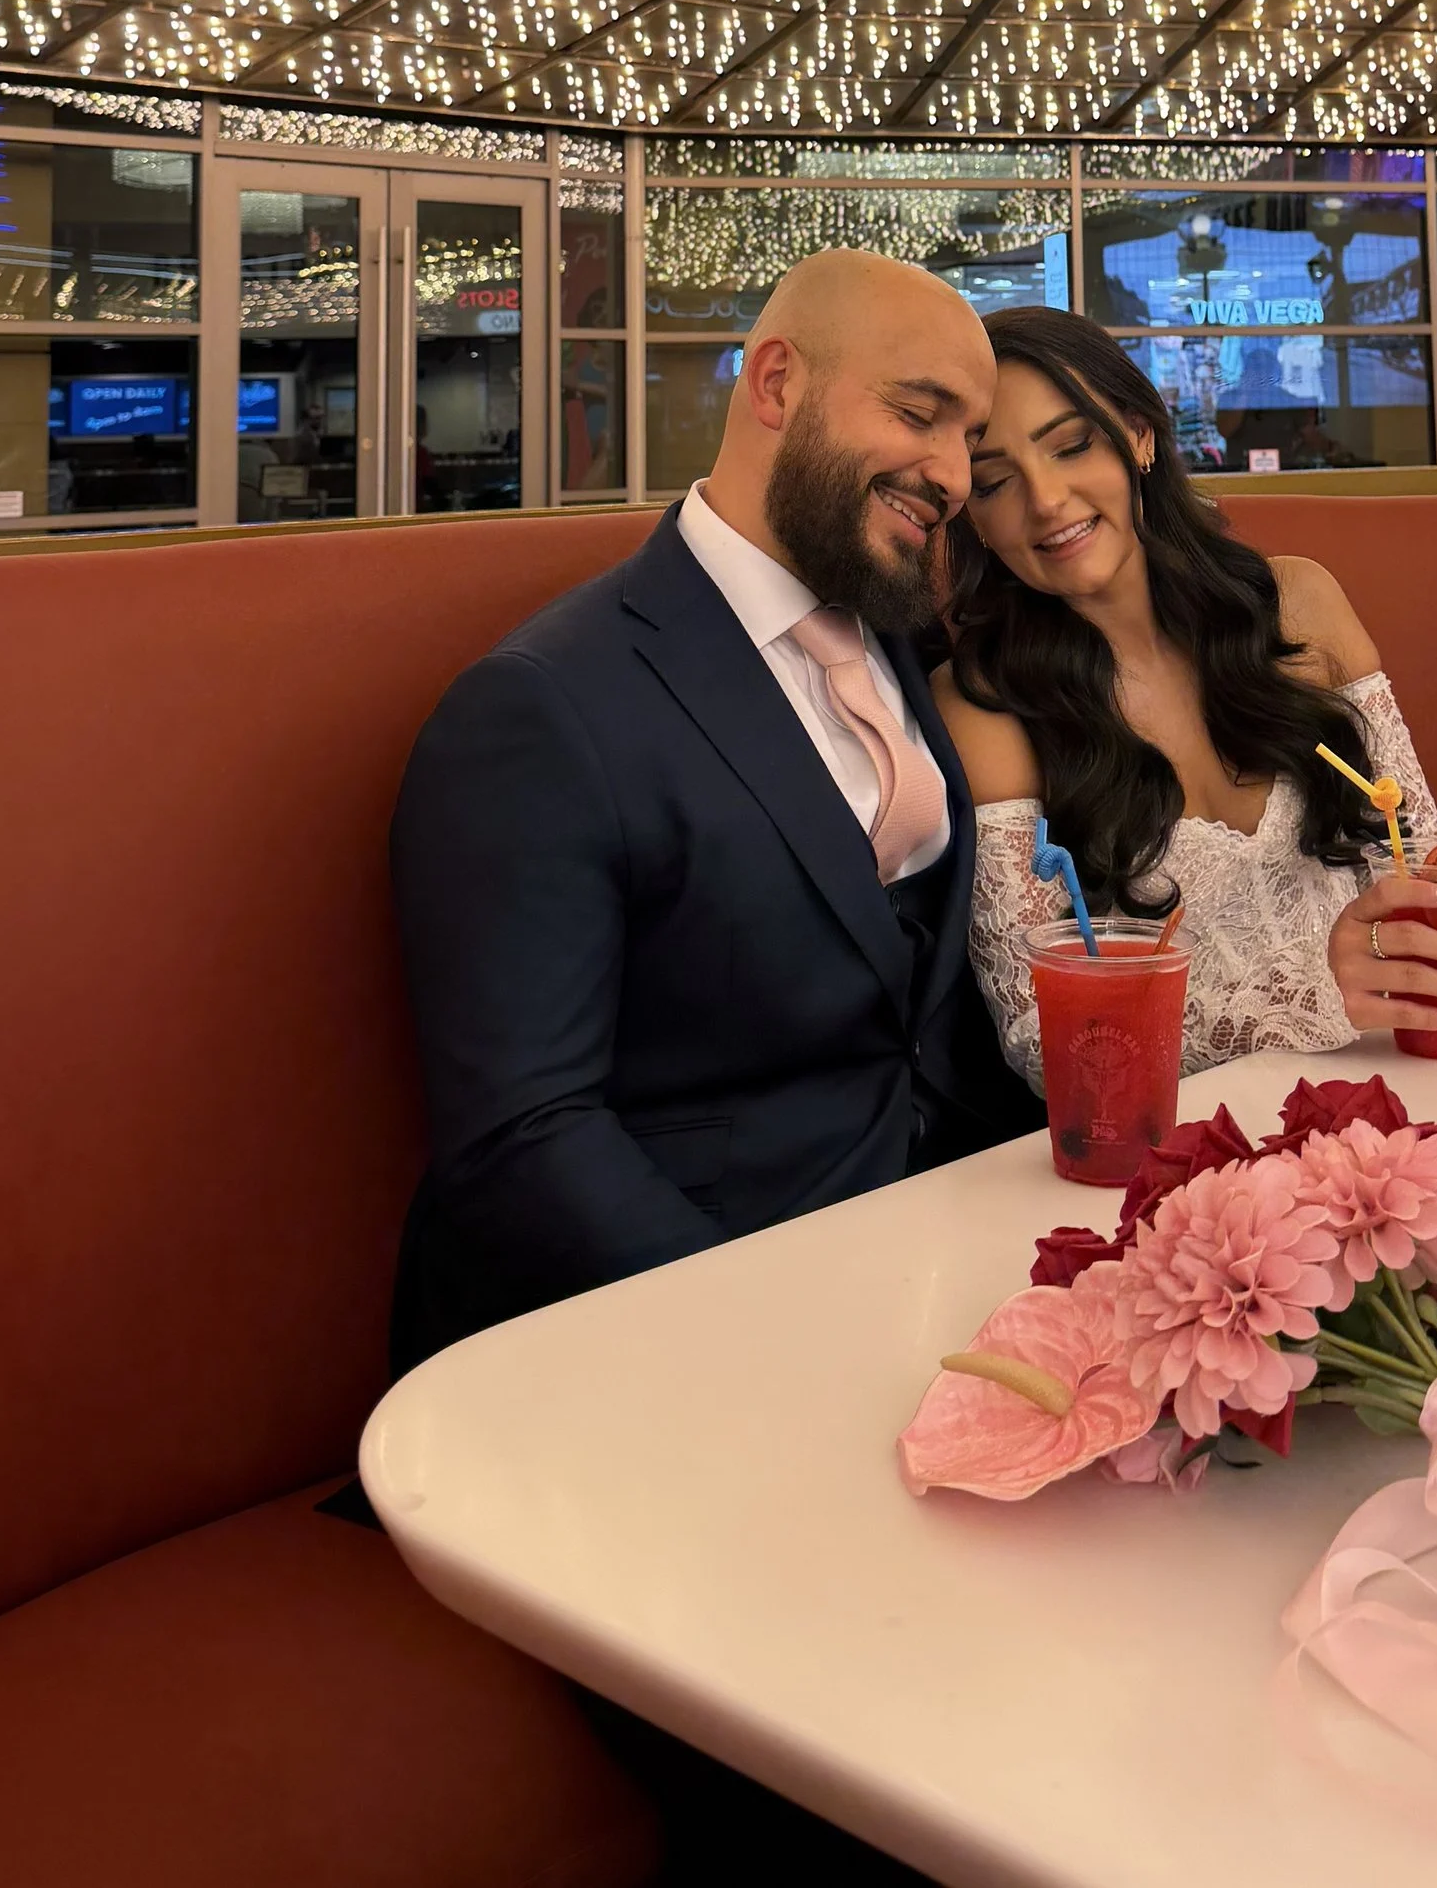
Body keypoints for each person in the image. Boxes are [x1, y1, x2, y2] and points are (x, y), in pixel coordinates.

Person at [388, 248, 1039, 1376]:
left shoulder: (900, 636)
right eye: (917, 414)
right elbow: (522, 1136)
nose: (949, 475)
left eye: (964, 444)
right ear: (777, 384)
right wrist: (764, 1338)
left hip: (930, 1277)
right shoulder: (543, 706)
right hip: (671, 1334)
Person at [937, 309, 1437, 1080]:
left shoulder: (1300, 605)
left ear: (1139, 437)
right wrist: (1312, 995)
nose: (1048, 498)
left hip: (1432, 1046)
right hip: (1223, 1134)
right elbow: (1038, 1035)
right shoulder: (985, 708)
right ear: (975, 517)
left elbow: (1426, 854)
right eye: (996, 481)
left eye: (1072, 445)